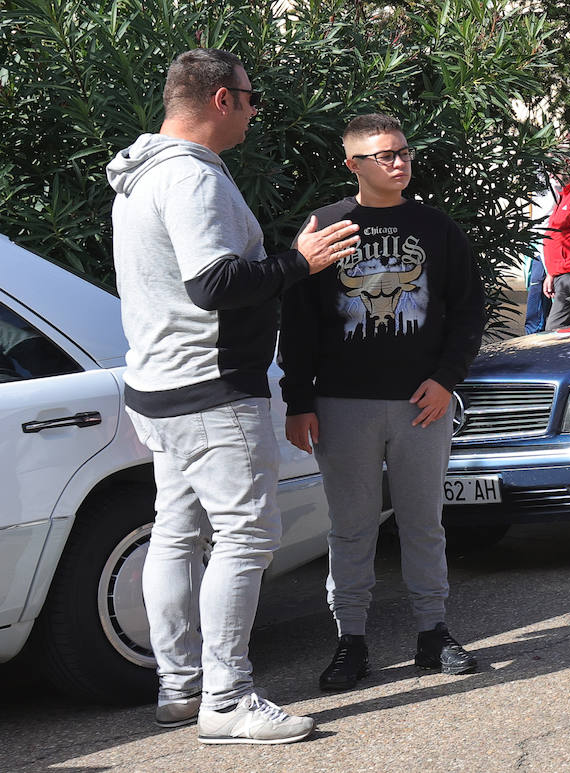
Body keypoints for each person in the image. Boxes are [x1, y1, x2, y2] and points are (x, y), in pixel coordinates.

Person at [107, 48, 359, 743]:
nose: (253, 111)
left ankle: (181, 688)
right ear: (220, 99)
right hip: (211, 388)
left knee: (178, 532)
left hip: (158, 381)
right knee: (247, 534)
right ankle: (228, 698)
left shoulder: (139, 174)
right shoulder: (192, 178)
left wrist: (283, 259)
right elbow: (213, 285)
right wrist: (299, 263)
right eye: (249, 98)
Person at [278, 113, 486, 691]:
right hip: (343, 405)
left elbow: (469, 309)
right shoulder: (326, 226)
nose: (398, 163)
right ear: (353, 165)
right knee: (351, 529)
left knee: (424, 523)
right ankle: (351, 643)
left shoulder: (436, 228)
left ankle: (433, 634)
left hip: (423, 404)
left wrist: (447, 379)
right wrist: (299, 401)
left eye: (403, 152)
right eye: (383, 156)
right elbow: (296, 323)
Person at [542, 158, 570, 329]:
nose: (551, 176)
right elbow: (558, 236)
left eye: (555, 170)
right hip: (560, 274)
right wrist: (551, 274)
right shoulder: (564, 194)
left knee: (553, 331)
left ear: (569, 168)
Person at [523, 179, 556, 334]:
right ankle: (533, 331)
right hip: (537, 239)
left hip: (551, 238)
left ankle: (535, 331)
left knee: (542, 289)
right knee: (536, 287)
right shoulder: (536, 174)